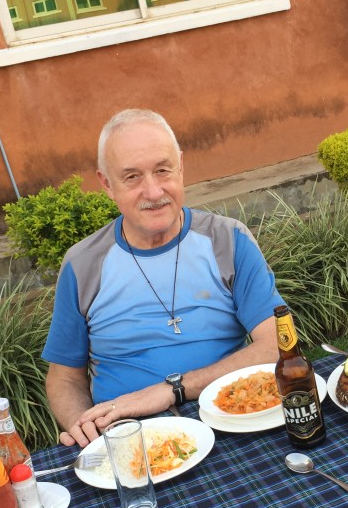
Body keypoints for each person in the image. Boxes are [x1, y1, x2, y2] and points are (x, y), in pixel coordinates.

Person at [43, 109, 284, 446]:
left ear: (181, 167)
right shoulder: (82, 265)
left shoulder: (228, 241)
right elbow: (64, 377)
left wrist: (172, 389)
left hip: (228, 414)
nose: (154, 192)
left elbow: (278, 344)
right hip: (129, 436)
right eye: (132, 177)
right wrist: (84, 427)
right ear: (106, 185)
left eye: (162, 170)